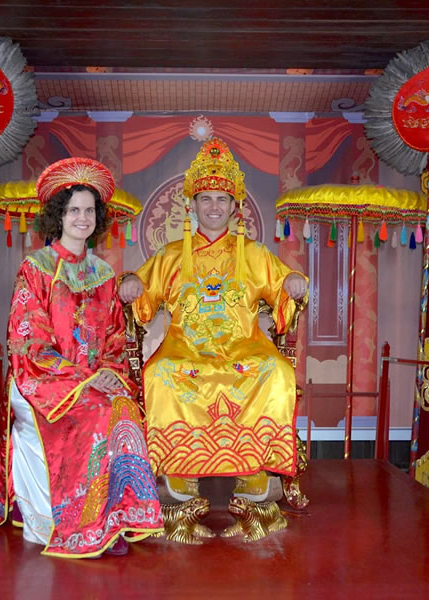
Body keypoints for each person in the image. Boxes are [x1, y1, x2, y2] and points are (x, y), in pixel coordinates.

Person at [119, 138, 307, 539]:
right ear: (193, 204)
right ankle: (179, 471)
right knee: (163, 372)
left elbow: (281, 287)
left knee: (273, 370)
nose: (215, 207)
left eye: (223, 199)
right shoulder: (171, 255)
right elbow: (144, 290)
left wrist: (292, 283)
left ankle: (255, 473)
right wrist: (133, 284)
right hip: (185, 344)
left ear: (235, 206)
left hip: (244, 344)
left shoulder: (254, 253)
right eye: (207, 199)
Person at [0, 157, 163, 558]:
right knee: (98, 415)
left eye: (89, 210)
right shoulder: (37, 269)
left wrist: (111, 375)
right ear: (58, 216)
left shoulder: (104, 274)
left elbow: (115, 339)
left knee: (125, 410)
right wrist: (85, 378)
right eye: (73, 210)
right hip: (45, 381)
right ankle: (84, 526)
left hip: (95, 379)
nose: (83, 218)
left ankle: (117, 519)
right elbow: (29, 343)